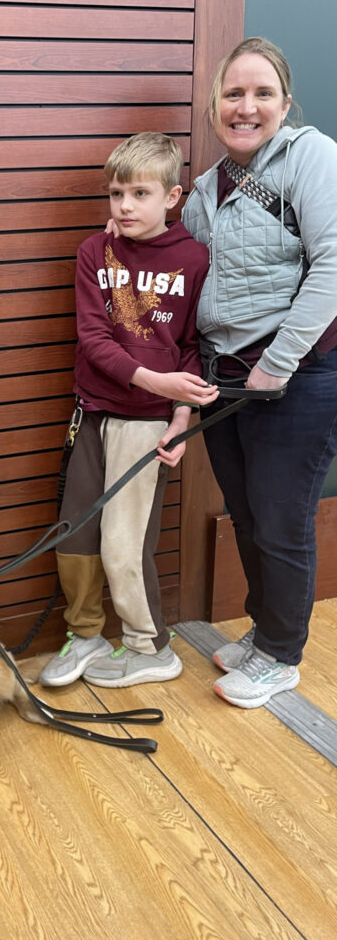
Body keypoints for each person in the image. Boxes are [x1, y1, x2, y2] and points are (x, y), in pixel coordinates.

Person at [181, 37, 337, 709]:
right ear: (215, 104)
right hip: (228, 382)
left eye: (262, 93)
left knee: (281, 519)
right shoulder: (200, 192)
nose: (246, 107)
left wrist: (278, 365)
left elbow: (334, 263)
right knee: (246, 514)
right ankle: (264, 630)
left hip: (295, 381)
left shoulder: (312, 157)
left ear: (285, 102)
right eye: (234, 94)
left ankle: (281, 654)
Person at [40, 132, 218, 690]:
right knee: (76, 535)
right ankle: (86, 633)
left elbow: (193, 346)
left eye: (139, 193)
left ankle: (149, 647)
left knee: (124, 540)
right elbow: (93, 338)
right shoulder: (97, 251)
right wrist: (151, 377)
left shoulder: (193, 257)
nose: (124, 206)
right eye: (115, 194)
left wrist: (181, 419)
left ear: (173, 196)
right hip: (92, 412)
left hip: (149, 424)